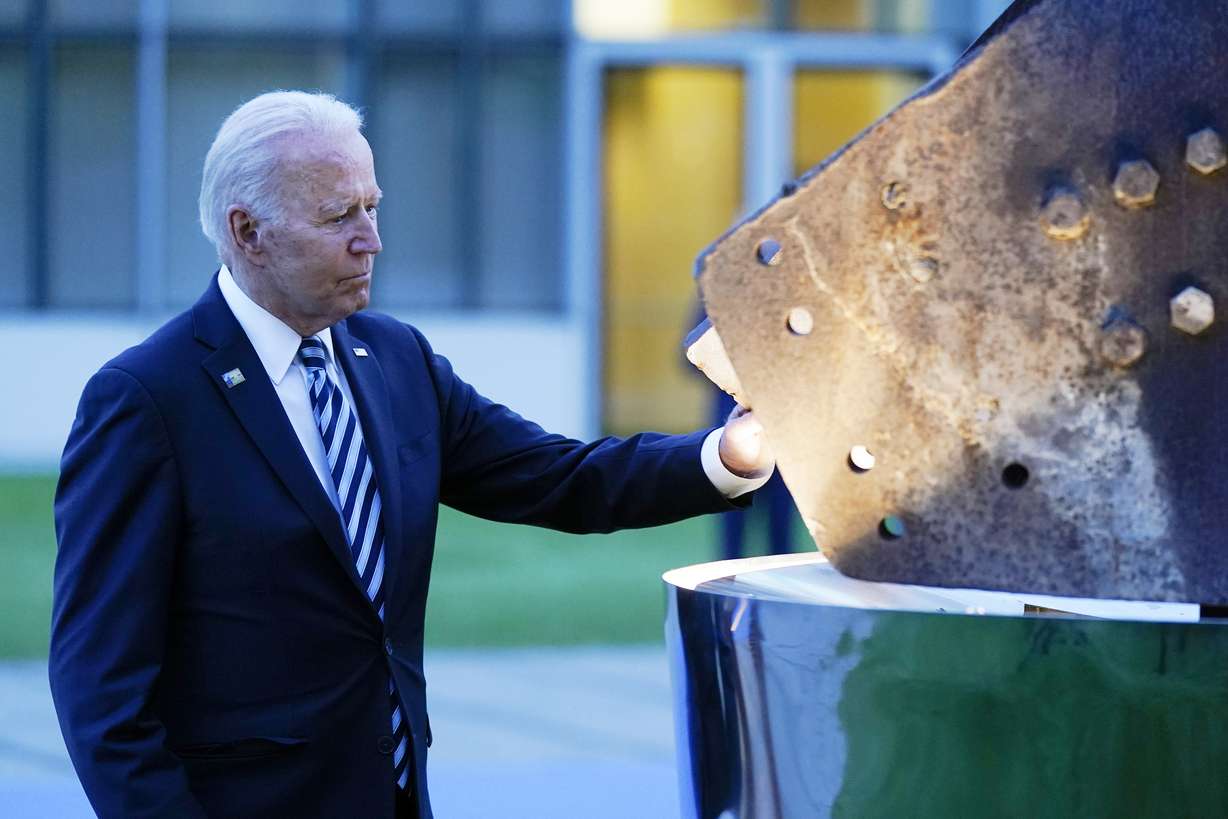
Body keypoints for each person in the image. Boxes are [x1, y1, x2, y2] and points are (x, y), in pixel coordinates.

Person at [49, 91, 774, 819]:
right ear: (248, 233)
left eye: (372, 206)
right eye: (339, 217)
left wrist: (729, 453)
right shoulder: (148, 400)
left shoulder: (395, 360)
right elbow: (100, 693)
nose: (371, 239)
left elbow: (561, 479)